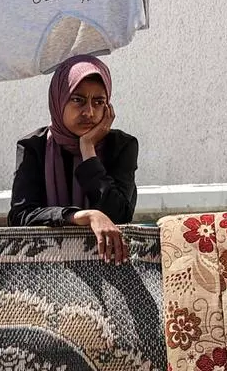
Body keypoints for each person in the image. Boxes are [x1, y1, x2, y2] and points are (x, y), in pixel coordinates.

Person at [8, 54, 138, 264]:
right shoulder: (34, 146)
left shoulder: (122, 146)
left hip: (107, 266)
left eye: (99, 102)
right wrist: (82, 216)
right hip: (47, 267)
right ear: (59, 100)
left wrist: (88, 150)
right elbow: (21, 216)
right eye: (77, 100)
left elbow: (119, 214)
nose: (89, 112)